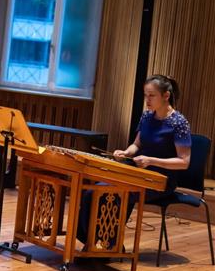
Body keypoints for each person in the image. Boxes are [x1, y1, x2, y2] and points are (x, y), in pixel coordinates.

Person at [77, 75, 191, 247]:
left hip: (160, 180)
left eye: (151, 96)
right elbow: (137, 144)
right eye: (146, 95)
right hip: (139, 173)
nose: (147, 100)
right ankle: (98, 242)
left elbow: (184, 162)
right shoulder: (146, 117)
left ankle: (108, 245)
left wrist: (151, 160)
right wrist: (125, 152)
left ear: (166, 96)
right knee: (92, 191)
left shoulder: (179, 122)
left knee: (108, 193)